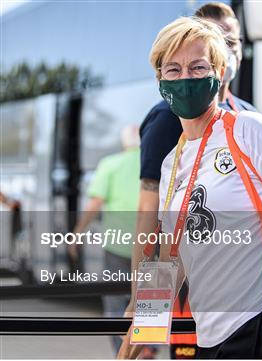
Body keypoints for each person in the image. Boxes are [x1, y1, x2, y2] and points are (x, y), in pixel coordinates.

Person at [117, 17, 262, 359]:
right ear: (159, 79)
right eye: (173, 70)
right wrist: (146, 325)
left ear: (218, 72)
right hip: (209, 338)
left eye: (198, 67)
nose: (185, 79)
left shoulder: (249, 130)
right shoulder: (173, 162)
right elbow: (172, 256)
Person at [133, 3, 255, 358]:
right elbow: (151, 218)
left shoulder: (249, 116)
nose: (229, 48)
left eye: (234, 40)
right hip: (194, 296)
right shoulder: (169, 118)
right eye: (219, 38)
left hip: (253, 303)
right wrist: (146, 315)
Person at [69, 125, 155, 358]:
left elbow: (95, 203)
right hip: (151, 247)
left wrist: (77, 233)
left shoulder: (110, 164)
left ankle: (123, 352)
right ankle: (147, 347)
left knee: (116, 303)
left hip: (117, 247)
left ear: (123, 142)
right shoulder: (156, 160)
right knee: (151, 299)